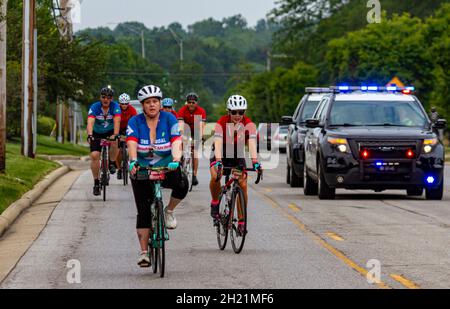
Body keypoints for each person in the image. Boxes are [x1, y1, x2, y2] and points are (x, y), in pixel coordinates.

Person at [127, 85, 188, 267]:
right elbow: (131, 143)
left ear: (160, 104)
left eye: (155, 101)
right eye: (148, 103)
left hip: (167, 166)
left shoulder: (169, 119)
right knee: (143, 210)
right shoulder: (134, 122)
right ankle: (144, 252)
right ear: (142, 105)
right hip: (143, 168)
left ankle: (168, 211)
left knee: (182, 184)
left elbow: (176, 140)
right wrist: (133, 161)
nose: (152, 105)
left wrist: (176, 159)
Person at [209, 95, 262, 233]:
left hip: (237, 153)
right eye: (234, 112)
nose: (237, 115)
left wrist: (255, 162)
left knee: (243, 183)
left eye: (241, 112)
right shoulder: (221, 122)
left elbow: (251, 144)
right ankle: (215, 202)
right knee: (216, 176)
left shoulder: (248, 124)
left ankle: (242, 220)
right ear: (228, 112)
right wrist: (219, 161)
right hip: (221, 152)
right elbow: (218, 144)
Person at [87, 87, 121, 196]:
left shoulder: (115, 107)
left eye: (109, 97)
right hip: (97, 132)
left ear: (112, 99)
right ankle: (96, 182)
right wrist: (90, 135)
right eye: (103, 97)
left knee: (115, 141)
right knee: (94, 155)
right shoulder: (95, 107)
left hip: (110, 131)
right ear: (100, 97)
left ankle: (111, 163)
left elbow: (117, 121)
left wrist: (115, 134)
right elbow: (90, 122)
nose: (106, 99)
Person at [177, 92, 206, 186]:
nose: (191, 104)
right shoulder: (182, 110)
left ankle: (194, 175)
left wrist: (200, 137)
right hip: (186, 129)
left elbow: (201, 126)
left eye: (193, 102)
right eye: (189, 102)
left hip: (196, 130)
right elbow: (180, 125)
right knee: (181, 148)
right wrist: (182, 136)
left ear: (196, 103)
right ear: (187, 102)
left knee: (195, 153)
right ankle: (180, 167)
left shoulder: (200, 111)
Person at [116, 93, 137, 180]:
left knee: (132, 145)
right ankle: (119, 169)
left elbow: (136, 122)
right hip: (119, 128)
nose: (124, 105)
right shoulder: (116, 109)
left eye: (126, 104)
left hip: (128, 128)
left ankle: (131, 162)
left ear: (129, 103)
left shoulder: (132, 110)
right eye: (122, 104)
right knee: (119, 150)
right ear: (119, 103)